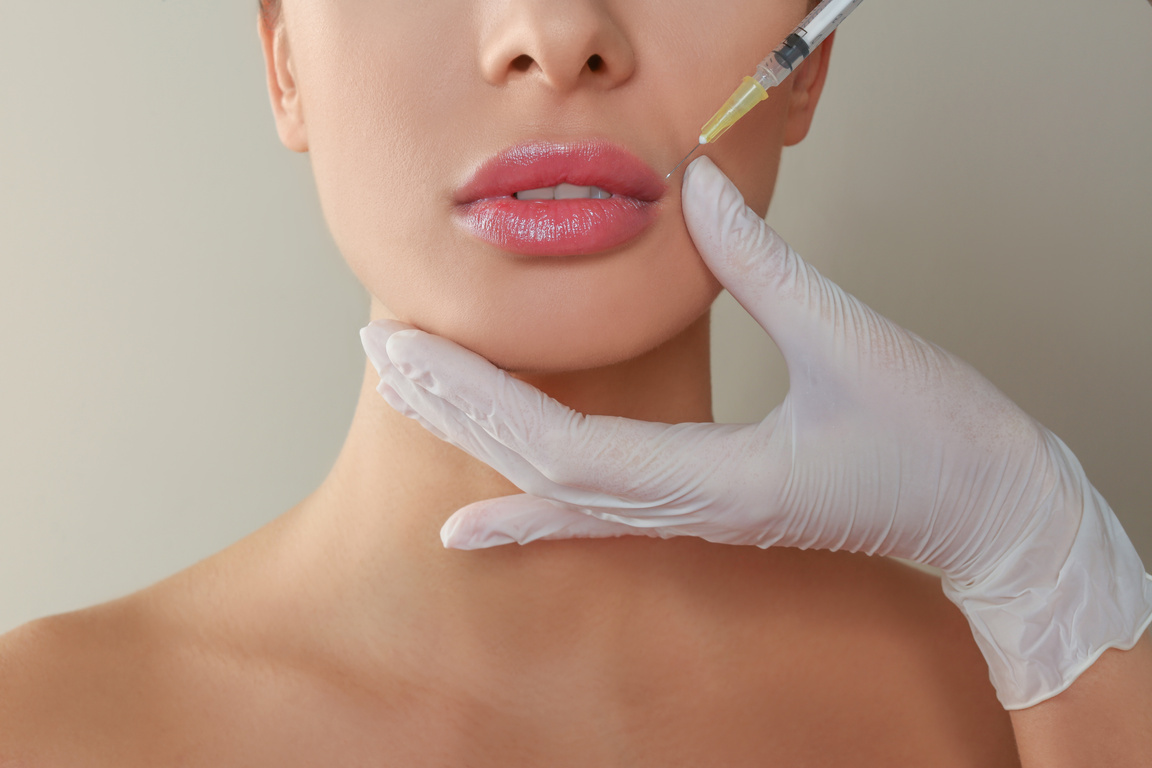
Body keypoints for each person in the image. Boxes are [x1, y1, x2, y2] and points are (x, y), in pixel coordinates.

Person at [1, 0, 1146, 765]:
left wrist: (1051, 570)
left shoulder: (1029, 703)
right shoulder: (38, 725)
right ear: (284, 56)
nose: (558, 35)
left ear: (810, 54)